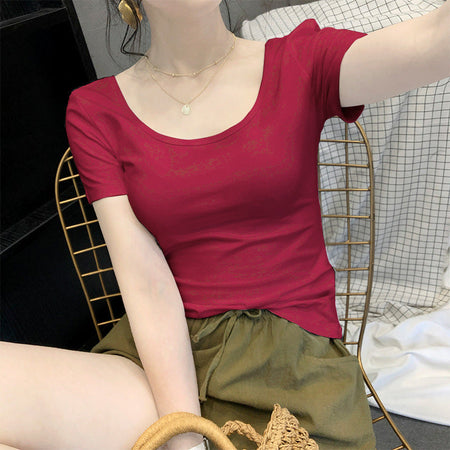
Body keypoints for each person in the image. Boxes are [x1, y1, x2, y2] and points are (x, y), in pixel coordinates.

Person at [1, 1, 448, 449]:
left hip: (292, 366)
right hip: (165, 360)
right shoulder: (95, 109)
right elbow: (144, 279)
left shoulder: (301, 61)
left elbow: (435, 39)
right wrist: (185, 436)